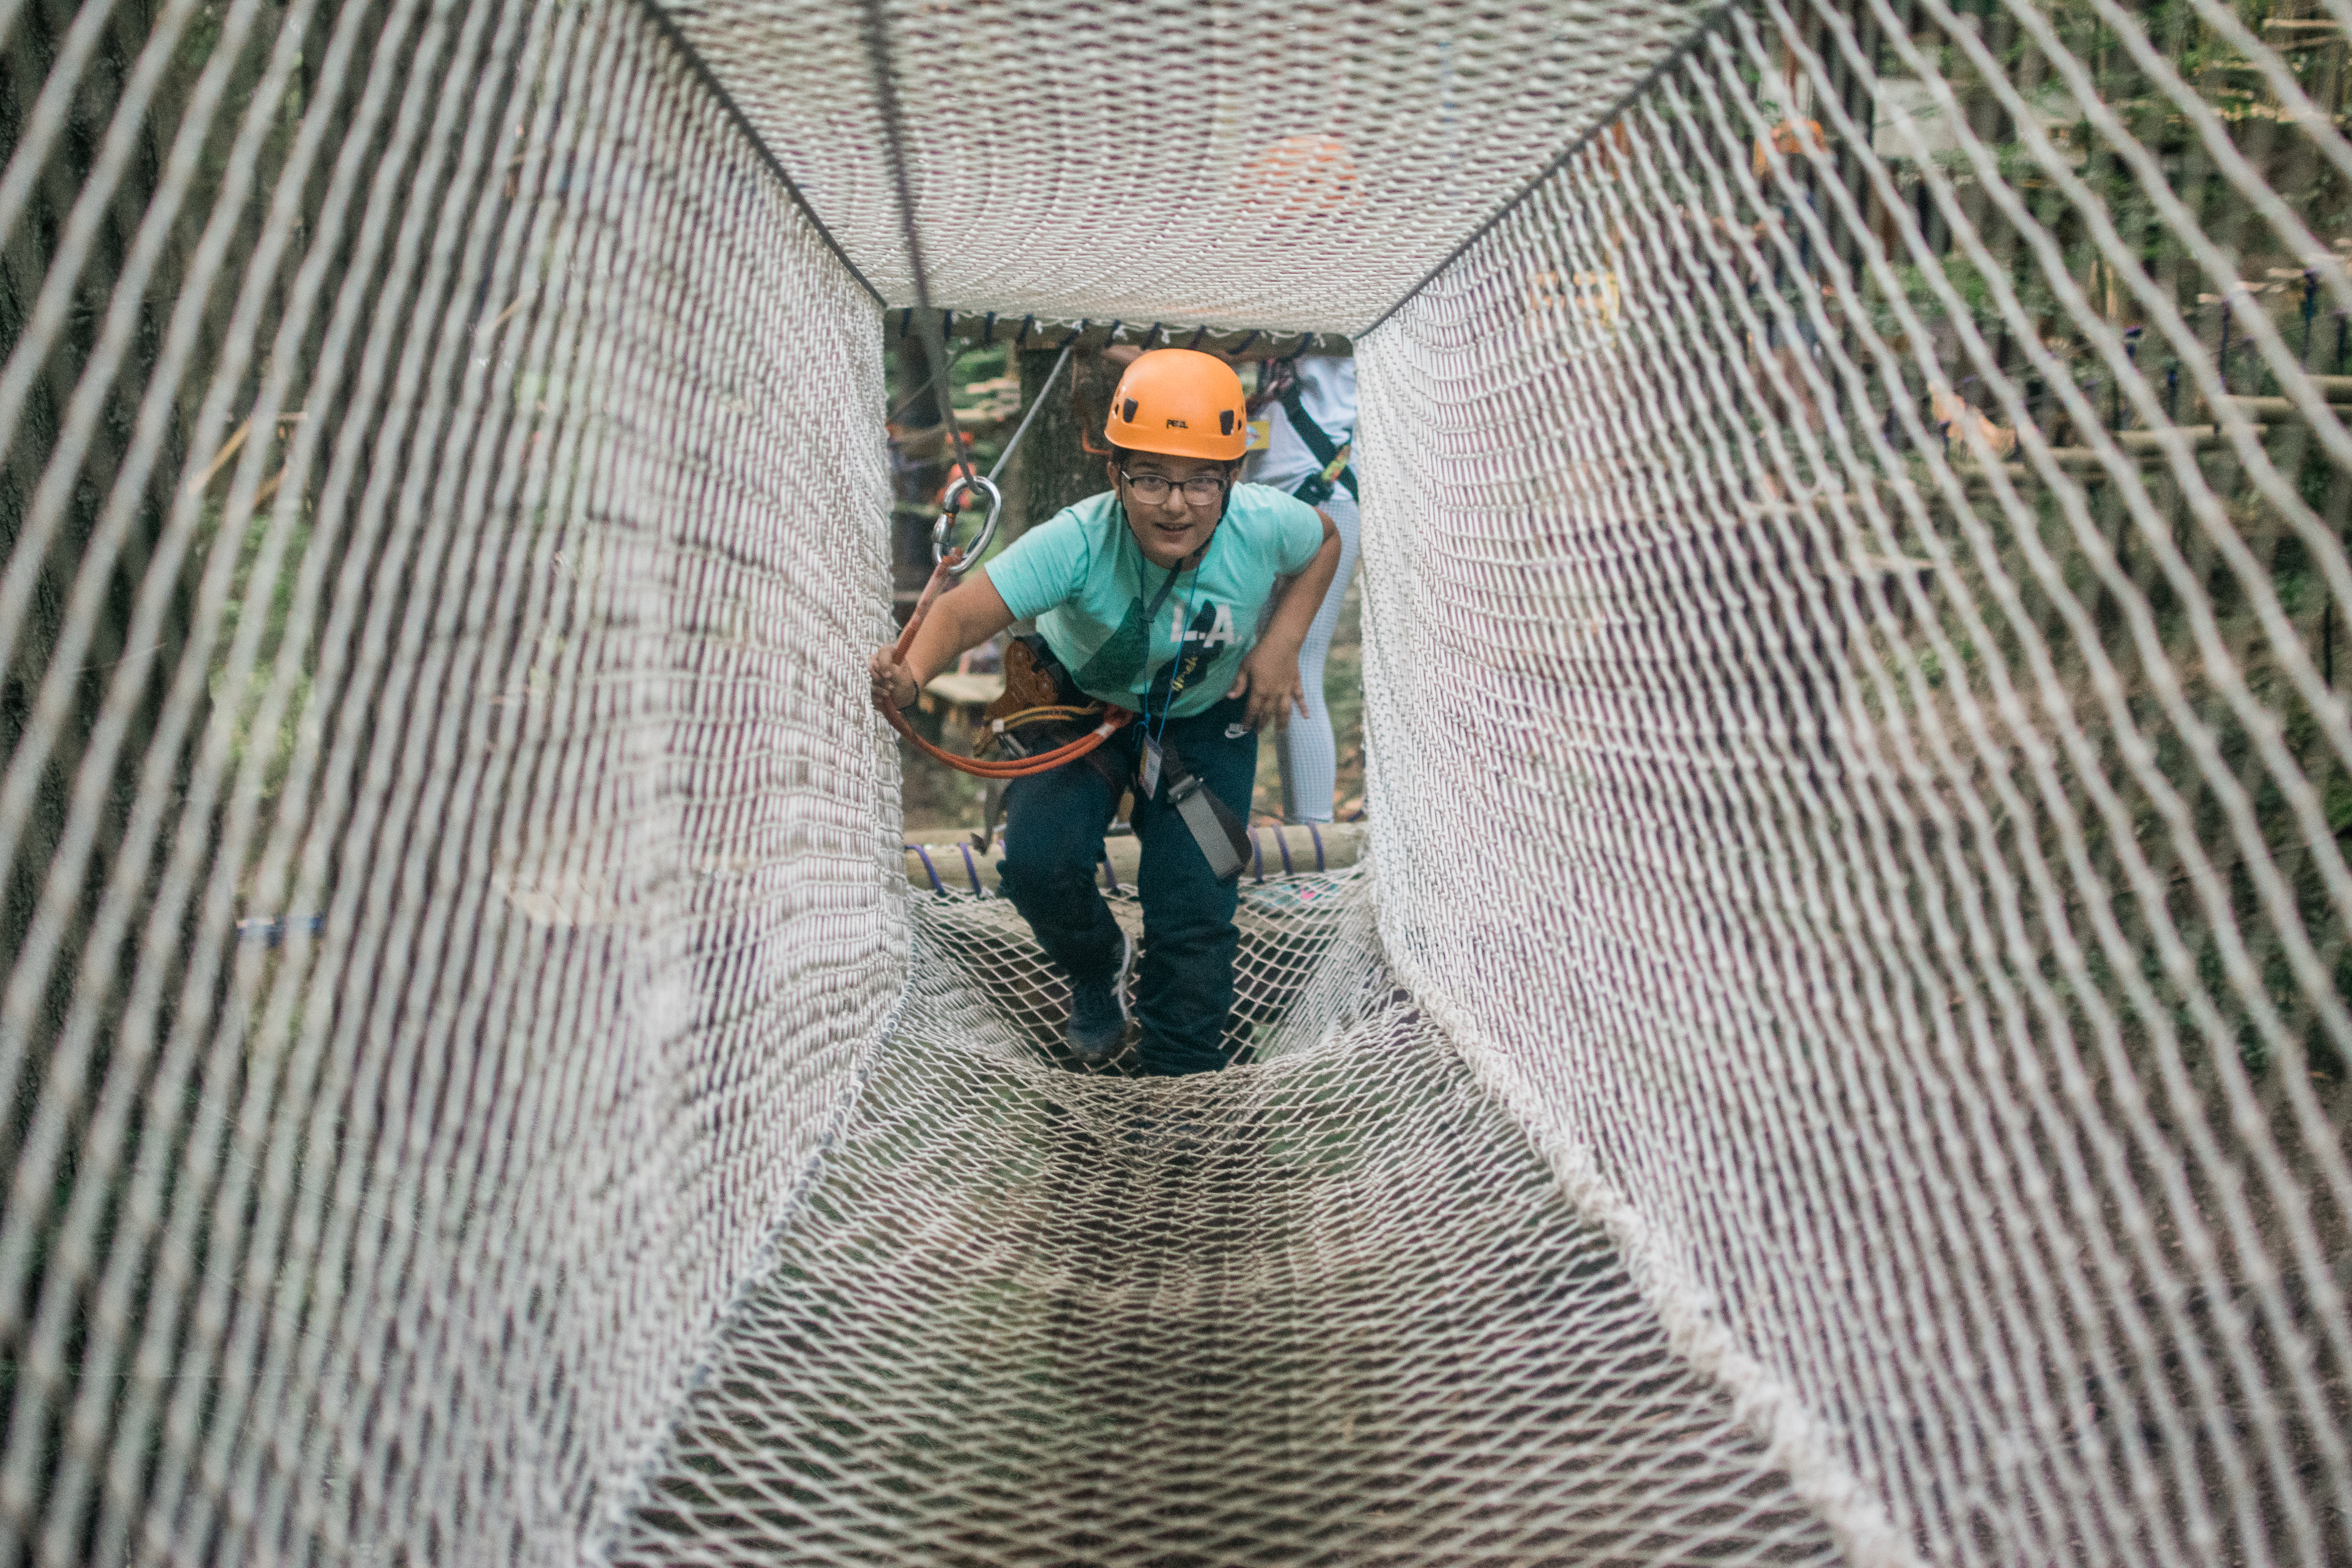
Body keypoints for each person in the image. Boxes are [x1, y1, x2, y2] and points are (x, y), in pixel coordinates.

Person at [870, 350, 1343, 1074]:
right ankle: (1097, 965)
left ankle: (1182, 1091)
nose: (1175, 504)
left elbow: (1325, 543)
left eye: (1201, 482)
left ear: (1233, 480)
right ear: (1114, 475)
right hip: (1076, 706)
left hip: (1203, 721)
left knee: (1195, 911)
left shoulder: (1262, 524)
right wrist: (911, 675)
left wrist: (1282, 644)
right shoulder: (1080, 540)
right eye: (1150, 478)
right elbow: (964, 616)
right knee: (1038, 863)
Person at [1246, 351, 1361, 822]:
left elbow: (1234, 334)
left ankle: (1313, 849)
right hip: (1269, 489)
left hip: (1320, 488)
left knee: (1301, 669)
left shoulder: (1324, 285)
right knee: (1253, 664)